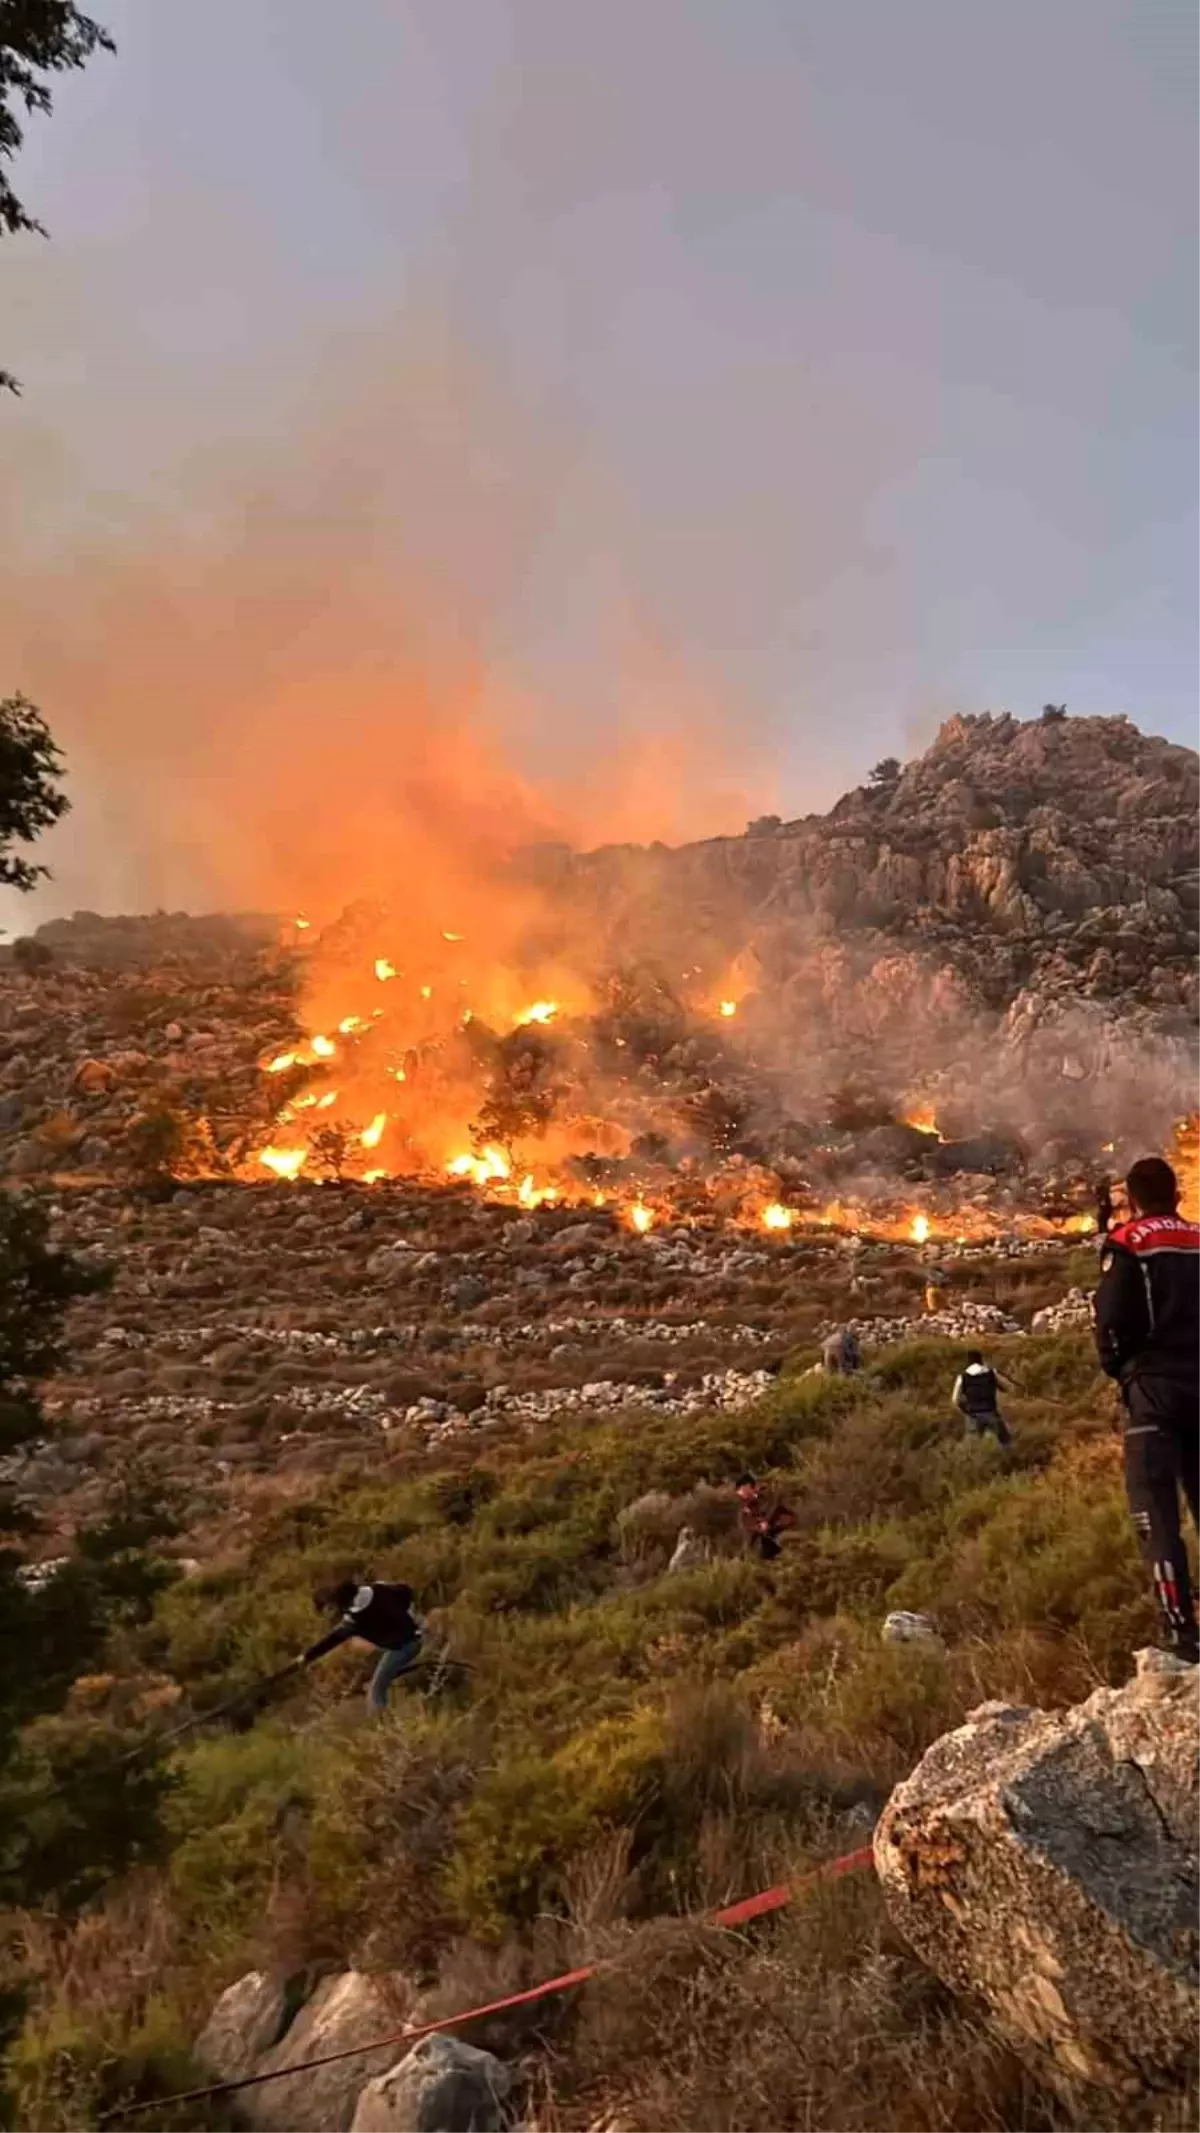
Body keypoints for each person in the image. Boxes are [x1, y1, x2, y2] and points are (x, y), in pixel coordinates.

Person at [1094, 1156, 1200, 1664]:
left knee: (1156, 1516)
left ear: (1132, 1198)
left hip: (1155, 1393)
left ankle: (1180, 1632)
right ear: (1177, 1195)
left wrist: (1122, 1370)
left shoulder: (1127, 1243)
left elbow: (1111, 1322)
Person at [303, 1578, 424, 1714]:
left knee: (376, 1689)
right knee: (372, 1670)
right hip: (411, 1637)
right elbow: (405, 1591)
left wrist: (306, 1657)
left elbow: (331, 1641)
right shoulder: (378, 1588)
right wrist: (411, 1618)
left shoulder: (356, 1620)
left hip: (404, 1646)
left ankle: (381, 1725)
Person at [952, 1350, 1013, 1447]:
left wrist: (965, 1410)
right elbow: (1008, 1387)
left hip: (972, 1416)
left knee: (973, 1446)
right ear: (981, 1360)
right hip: (991, 1413)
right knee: (1005, 1441)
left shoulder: (962, 1377)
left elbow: (955, 1400)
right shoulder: (991, 1373)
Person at [736, 1473, 795, 1561]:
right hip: (760, 1537)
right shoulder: (744, 1502)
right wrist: (760, 1525)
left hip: (774, 1533)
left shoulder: (763, 1498)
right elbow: (746, 1523)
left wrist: (765, 1523)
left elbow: (775, 1510)